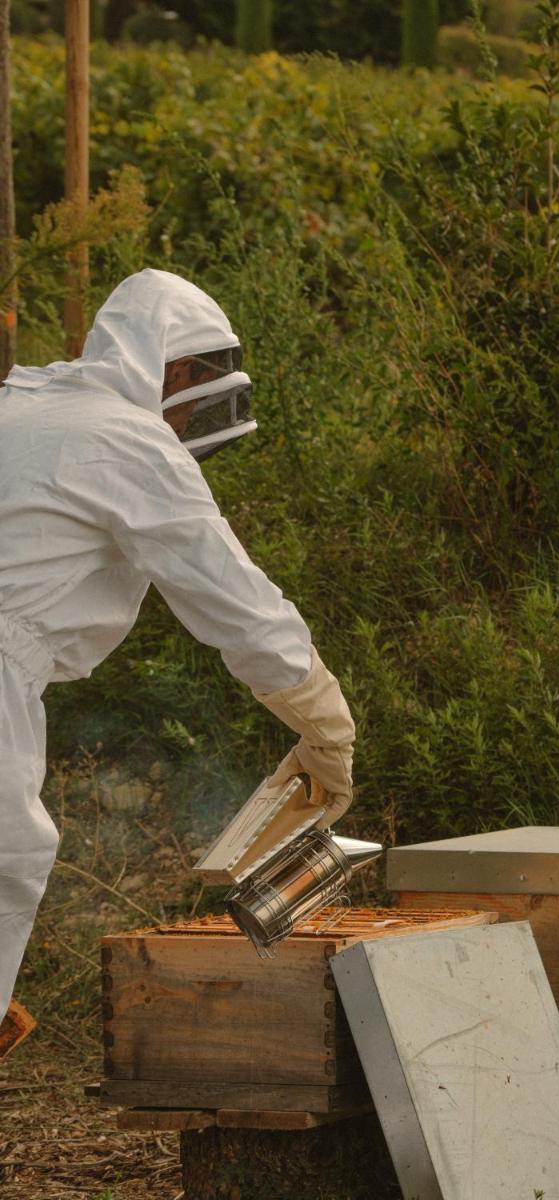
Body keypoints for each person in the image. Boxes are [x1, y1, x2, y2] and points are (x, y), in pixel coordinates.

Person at [0, 268, 355, 1056]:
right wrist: (324, 719)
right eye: (199, 394)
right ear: (179, 366)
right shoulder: (127, 437)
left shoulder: (25, 404)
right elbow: (233, 596)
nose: (193, 419)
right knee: (6, 856)